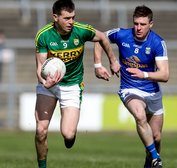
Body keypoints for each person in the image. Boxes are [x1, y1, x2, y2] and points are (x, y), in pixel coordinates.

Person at [34, 0, 120, 168]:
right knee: (40, 131)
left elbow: (101, 36)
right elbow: (40, 67)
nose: (71, 22)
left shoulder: (81, 30)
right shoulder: (43, 35)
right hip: (49, 86)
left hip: (72, 86)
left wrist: (106, 62)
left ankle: (70, 137)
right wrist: (46, 82)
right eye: (66, 18)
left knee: (67, 134)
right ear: (55, 17)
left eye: (73, 17)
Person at [94, 5, 169, 168]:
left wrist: (145, 75)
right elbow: (99, 38)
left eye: (142, 24)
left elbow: (165, 75)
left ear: (151, 24)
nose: (138, 28)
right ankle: (156, 158)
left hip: (152, 92)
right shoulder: (122, 34)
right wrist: (99, 64)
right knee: (140, 116)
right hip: (129, 89)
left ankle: (151, 160)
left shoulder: (157, 43)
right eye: (136, 23)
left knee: (156, 138)